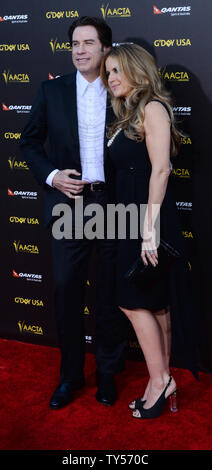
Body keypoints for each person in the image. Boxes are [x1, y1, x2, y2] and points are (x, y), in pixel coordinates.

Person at [20, 17, 127, 410]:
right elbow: (28, 142)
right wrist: (52, 176)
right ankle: (69, 377)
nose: (80, 50)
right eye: (74, 43)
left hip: (114, 204)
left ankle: (108, 374)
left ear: (105, 49)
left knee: (109, 293)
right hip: (70, 205)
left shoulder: (122, 89)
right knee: (66, 291)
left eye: (88, 43)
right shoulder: (52, 90)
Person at [100, 43, 198, 419]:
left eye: (117, 70)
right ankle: (163, 379)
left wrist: (148, 230)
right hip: (130, 217)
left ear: (136, 70)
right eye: (107, 72)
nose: (111, 78)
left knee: (131, 299)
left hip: (146, 220)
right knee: (155, 304)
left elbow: (160, 170)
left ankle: (160, 381)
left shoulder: (153, 108)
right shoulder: (129, 114)